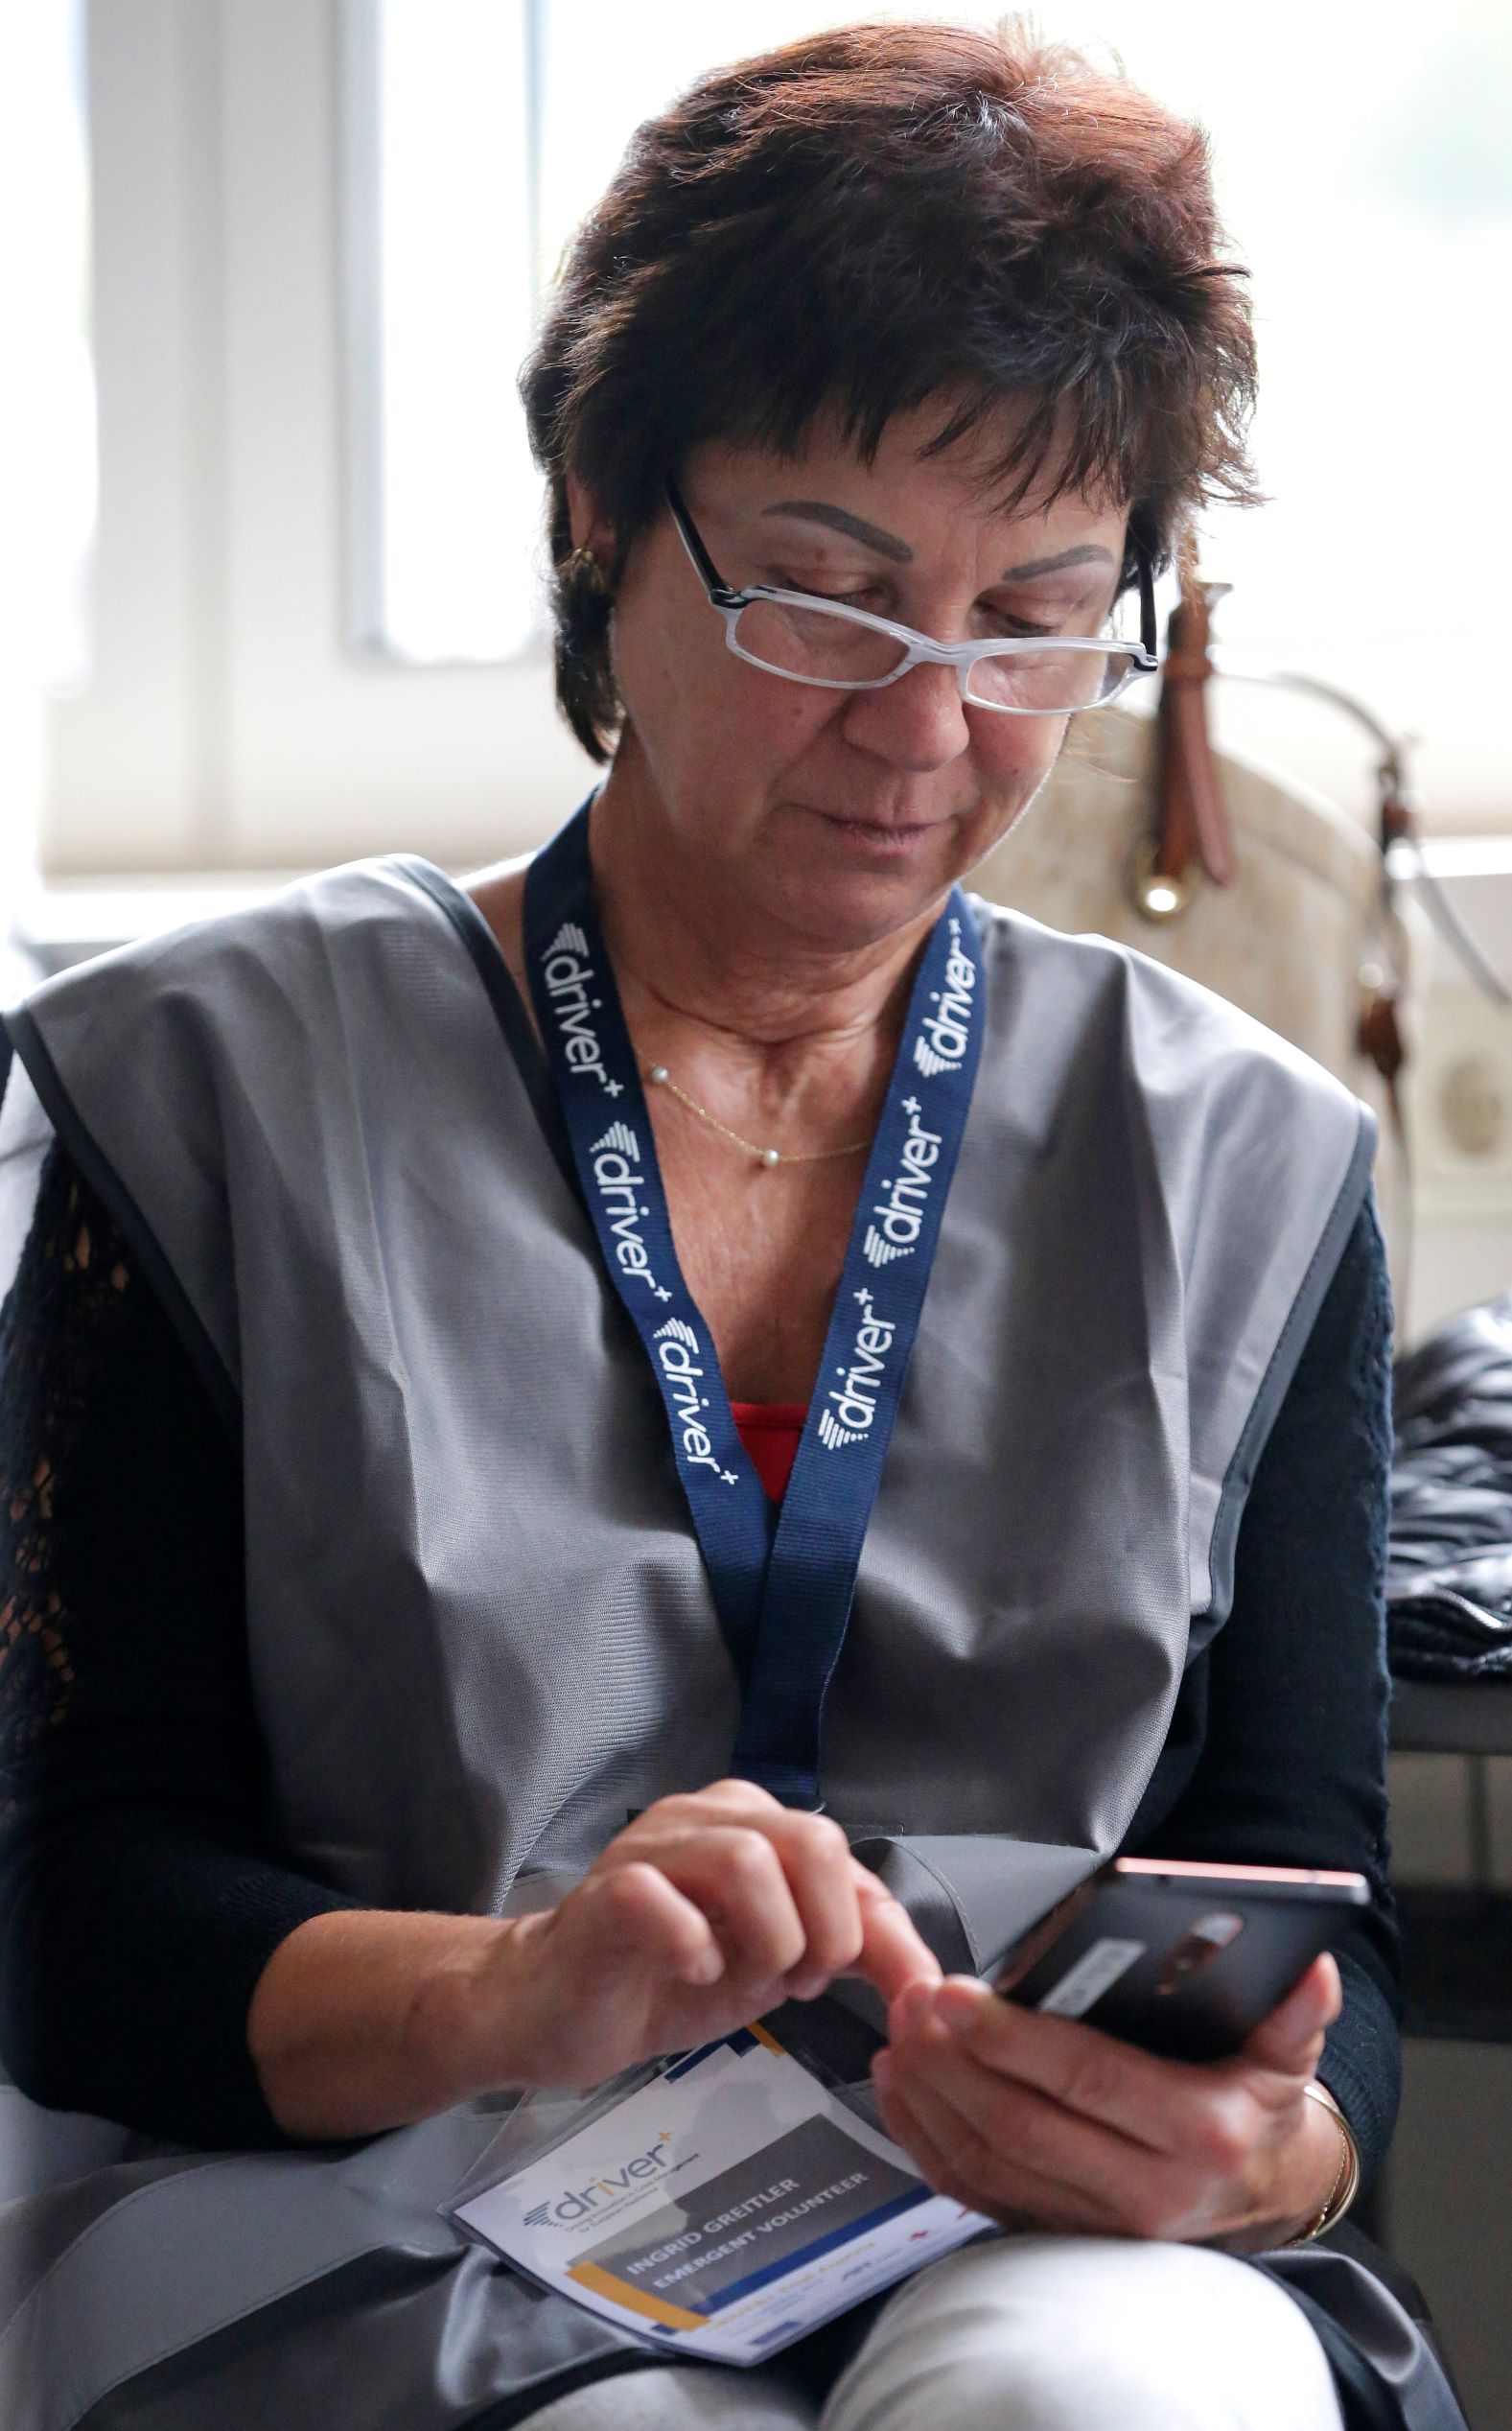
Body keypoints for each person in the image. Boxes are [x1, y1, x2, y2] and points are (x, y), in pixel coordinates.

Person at [0, 21, 1465, 2431]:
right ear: (604, 506)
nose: (929, 726)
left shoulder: (1245, 1160)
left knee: (1111, 2404)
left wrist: (1265, 2148)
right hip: (407, 2200)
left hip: (1009, 2220)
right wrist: (508, 1988)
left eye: (1035, 618)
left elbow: (1309, 1898)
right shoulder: (212, 1096)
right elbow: (72, 1905)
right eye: (827, 597)